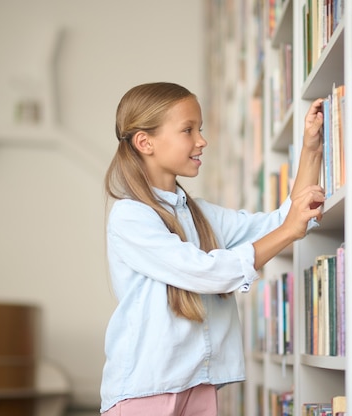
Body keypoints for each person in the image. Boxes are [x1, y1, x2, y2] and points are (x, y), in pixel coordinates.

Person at [101, 81, 325, 415]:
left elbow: (284, 220)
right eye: (188, 130)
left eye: (200, 129)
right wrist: (288, 230)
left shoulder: (199, 214)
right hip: (146, 390)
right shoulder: (130, 216)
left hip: (200, 385)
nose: (201, 141)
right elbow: (205, 272)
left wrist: (311, 149)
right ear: (145, 142)